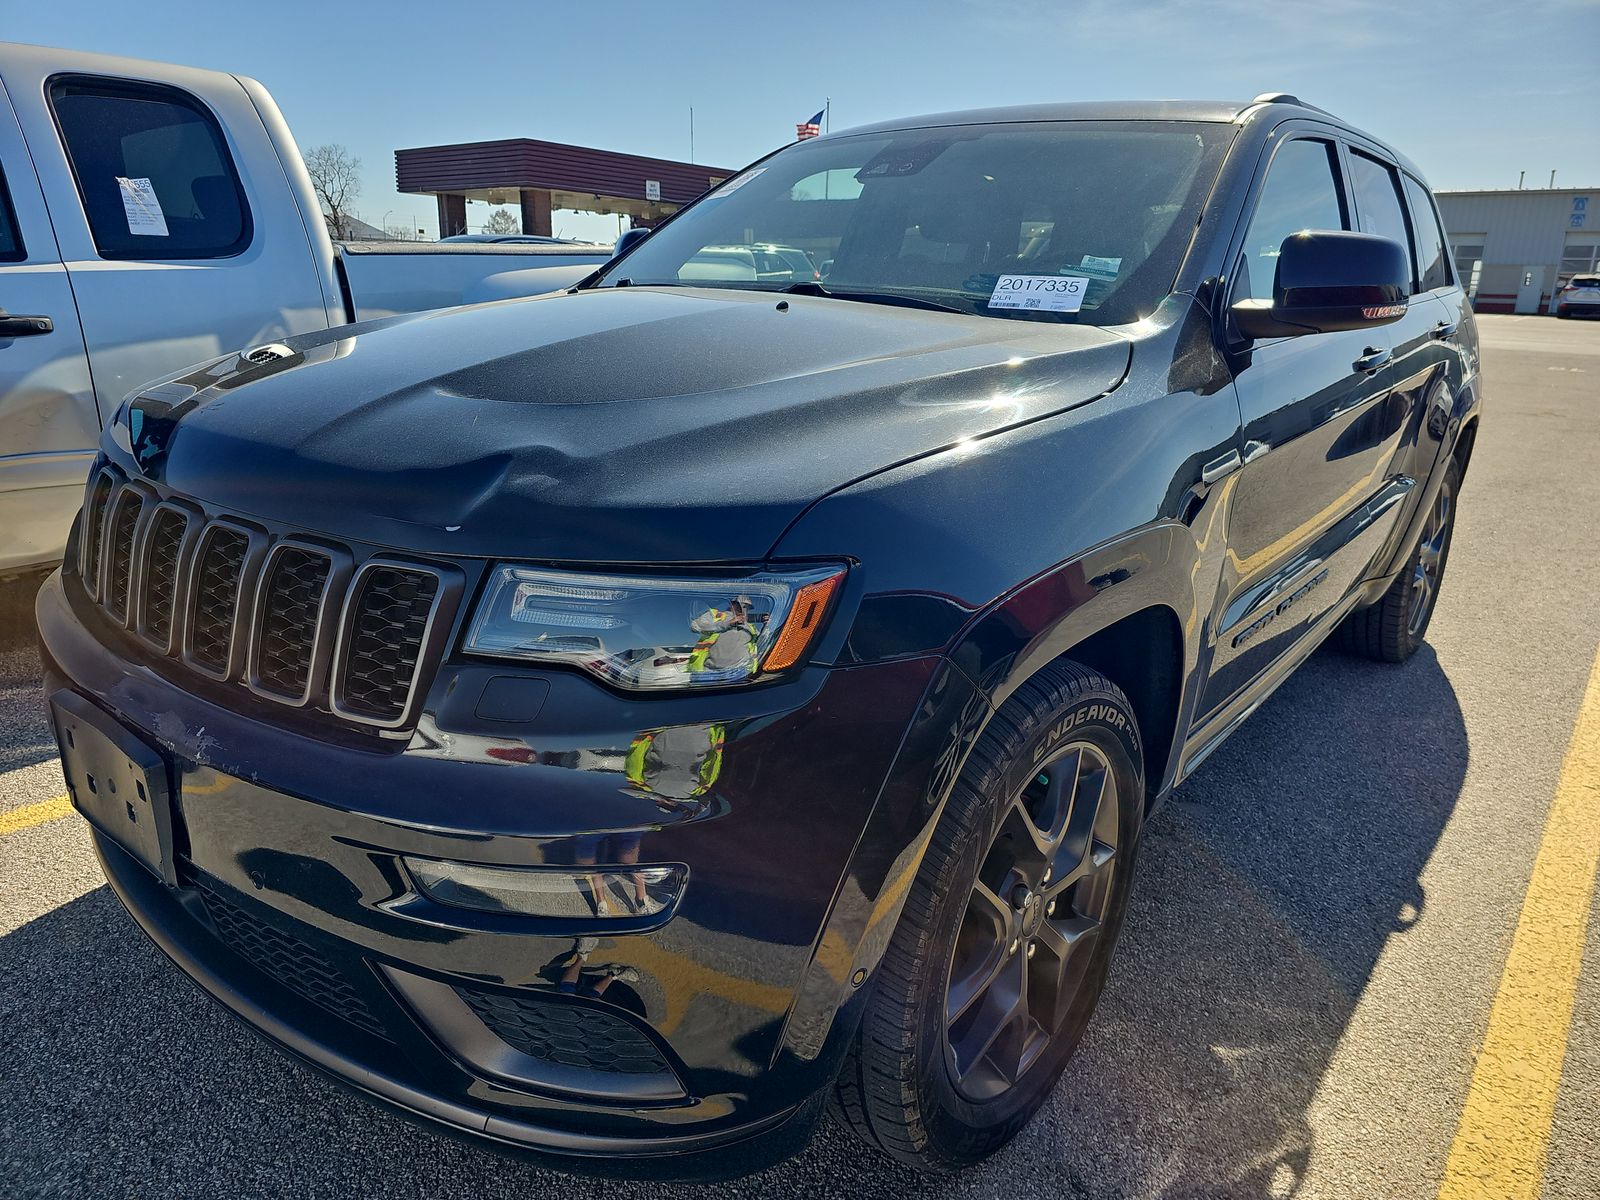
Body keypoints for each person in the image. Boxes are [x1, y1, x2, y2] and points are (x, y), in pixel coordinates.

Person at [687, 594, 767, 677]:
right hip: (708, 672)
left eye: (747, 607)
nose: (744, 609)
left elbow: (761, 642)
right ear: (732, 604)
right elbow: (695, 626)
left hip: (739, 671)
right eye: (742, 606)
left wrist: (767, 625)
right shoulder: (717, 615)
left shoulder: (750, 627)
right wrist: (727, 623)